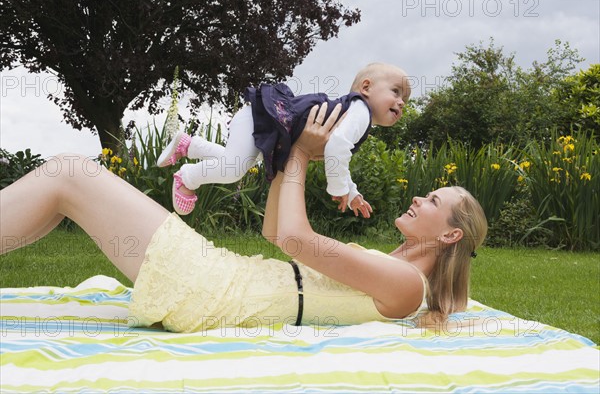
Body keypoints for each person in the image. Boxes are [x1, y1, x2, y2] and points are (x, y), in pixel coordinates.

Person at [0, 103, 487, 332]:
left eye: (432, 200)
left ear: (450, 233)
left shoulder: (406, 285)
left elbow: (295, 238)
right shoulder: (396, 272)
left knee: (70, 173)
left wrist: (299, 156)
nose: (419, 199)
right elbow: (275, 231)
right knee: (66, 189)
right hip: (219, 279)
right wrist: (286, 153)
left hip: (210, 290)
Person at [158, 62, 411, 217]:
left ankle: (189, 145)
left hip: (264, 119)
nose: (401, 102)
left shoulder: (357, 113)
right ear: (366, 87)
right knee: (234, 169)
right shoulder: (361, 112)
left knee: (238, 162)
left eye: (405, 100)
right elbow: (337, 147)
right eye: (396, 92)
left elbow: (339, 151)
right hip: (265, 118)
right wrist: (340, 189)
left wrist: (352, 191)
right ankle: (187, 176)